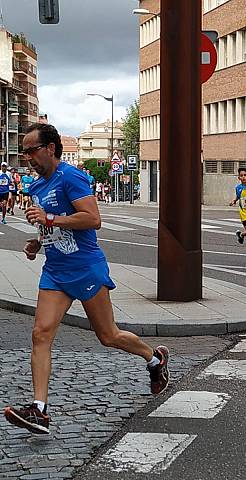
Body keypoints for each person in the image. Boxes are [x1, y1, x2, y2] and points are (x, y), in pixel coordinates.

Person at [4, 123, 170, 435]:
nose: (27, 157)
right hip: (55, 272)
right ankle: (39, 409)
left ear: (50, 148)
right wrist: (37, 242)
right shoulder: (37, 186)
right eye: (24, 151)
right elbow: (48, 226)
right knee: (40, 334)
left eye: (31, 150)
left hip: (85, 268)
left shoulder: (72, 177)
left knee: (108, 335)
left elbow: (93, 219)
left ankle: (154, 358)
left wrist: (51, 218)